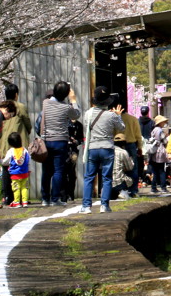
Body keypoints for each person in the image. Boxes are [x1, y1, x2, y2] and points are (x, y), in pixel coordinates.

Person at [80, 86, 125, 214]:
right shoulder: (112, 115)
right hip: (107, 148)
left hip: (93, 147)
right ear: (107, 101)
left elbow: (86, 130)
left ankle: (86, 206)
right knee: (107, 177)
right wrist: (118, 116)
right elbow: (122, 128)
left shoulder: (88, 113)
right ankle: (104, 205)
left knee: (89, 177)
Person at [38, 81, 81, 207]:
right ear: (66, 94)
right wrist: (73, 100)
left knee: (46, 171)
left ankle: (45, 199)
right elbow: (76, 114)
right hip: (60, 141)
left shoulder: (45, 103)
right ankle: (55, 198)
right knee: (58, 171)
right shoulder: (66, 107)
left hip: (46, 140)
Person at [0, 83, 31, 206]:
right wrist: (27, 131)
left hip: (4, 141)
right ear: (16, 94)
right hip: (18, 141)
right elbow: (27, 123)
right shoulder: (20, 106)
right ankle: (23, 198)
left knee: (7, 168)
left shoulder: (1, 107)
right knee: (22, 168)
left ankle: (7, 196)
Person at [0, 131, 31, 207]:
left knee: (16, 188)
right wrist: (29, 170)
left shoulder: (11, 151)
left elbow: (5, 162)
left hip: (15, 174)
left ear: (10, 143)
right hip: (24, 173)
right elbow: (28, 161)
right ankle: (25, 201)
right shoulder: (25, 150)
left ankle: (16, 202)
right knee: (24, 188)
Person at [121, 107, 142, 194]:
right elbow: (138, 135)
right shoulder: (133, 119)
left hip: (117, 144)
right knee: (133, 167)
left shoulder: (114, 118)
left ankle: (121, 189)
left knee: (119, 167)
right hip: (131, 144)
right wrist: (140, 147)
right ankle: (133, 190)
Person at [146, 115, 169, 193]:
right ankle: (163, 187)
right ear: (160, 122)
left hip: (153, 151)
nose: (164, 123)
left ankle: (153, 187)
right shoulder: (160, 130)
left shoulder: (153, 130)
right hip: (160, 151)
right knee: (162, 170)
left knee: (154, 171)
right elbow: (165, 141)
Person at [138, 105, 155, 185]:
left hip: (140, 142)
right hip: (149, 143)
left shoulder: (138, 121)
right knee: (149, 161)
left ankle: (141, 177)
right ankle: (148, 175)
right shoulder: (152, 122)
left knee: (140, 160)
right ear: (148, 112)